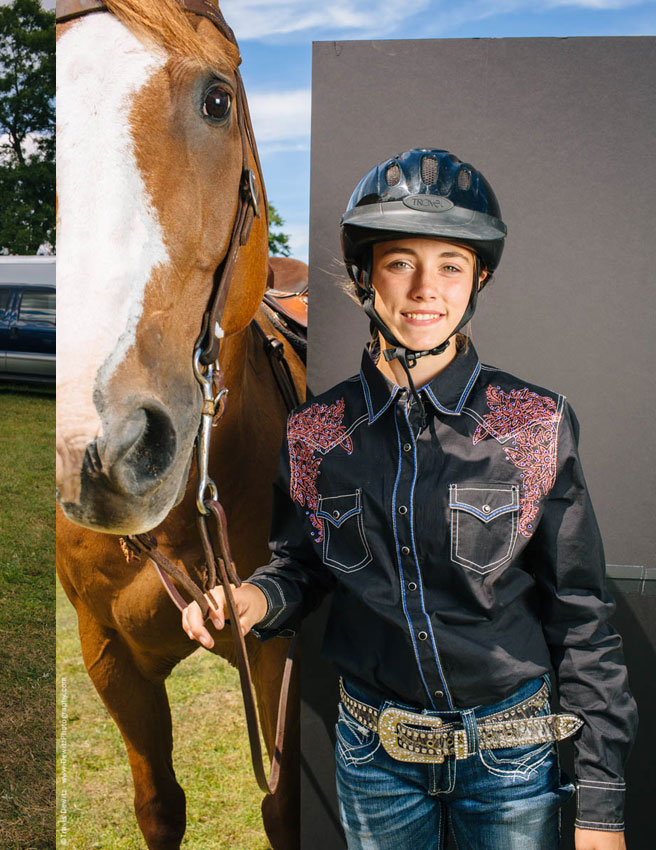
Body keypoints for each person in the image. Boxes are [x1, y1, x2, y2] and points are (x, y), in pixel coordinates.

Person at [182, 149, 635, 850]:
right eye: (400, 262)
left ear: (479, 276)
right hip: (375, 759)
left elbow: (582, 619)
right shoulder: (315, 433)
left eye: (450, 264)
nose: (426, 288)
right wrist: (255, 600)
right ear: (365, 276)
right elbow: (302, 567)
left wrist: (602, 805)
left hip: (512, 759)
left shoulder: (534, 424)